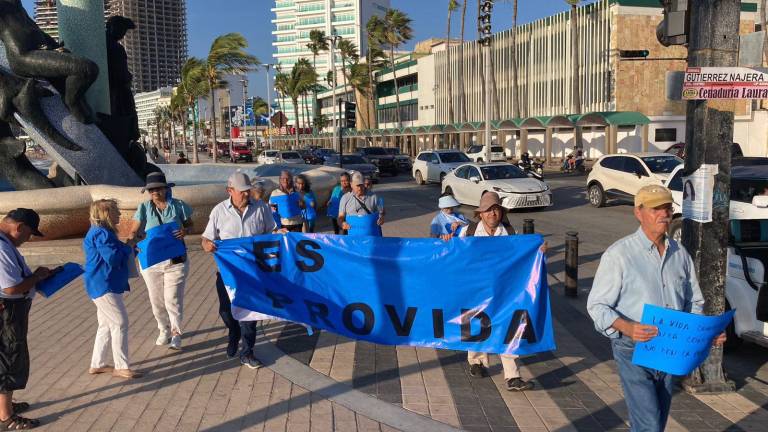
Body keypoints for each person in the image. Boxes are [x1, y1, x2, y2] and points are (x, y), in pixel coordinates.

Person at [587, 185, 725, 432]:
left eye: (668, 208)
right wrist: (627, 327)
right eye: (656, 209)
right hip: (634, 349)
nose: (664, 214)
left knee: (656, 421)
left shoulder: (680, 253)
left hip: (670, 348)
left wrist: (706, 333)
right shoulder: (619, 254)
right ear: (638, 212)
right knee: (649, 423)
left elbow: (694, 302)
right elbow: (597, 306)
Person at [455, 193, 536, 392]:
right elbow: (454, 257)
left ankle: (513, 376)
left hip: (503, 291)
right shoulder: (469, 231)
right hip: (475, 289)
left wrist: (537, 250)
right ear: (480, 214)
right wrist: (448, 240)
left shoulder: (508, 231)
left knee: (507, 329)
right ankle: (477, 362)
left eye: (496, 209)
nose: (493, 213)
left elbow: (520, 257)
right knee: (475, 325)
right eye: (488, 210)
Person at [202, 171, 278, 369]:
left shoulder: (261, 208)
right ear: (230, 191)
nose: (246, 194)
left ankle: (248, 352)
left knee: (249, 315)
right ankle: (233, 333)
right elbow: (206, 239)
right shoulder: (219, 211)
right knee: (226, 312)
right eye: (242, 191)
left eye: (248, 191)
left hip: (253, 273)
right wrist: (207, 245)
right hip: (227, 273)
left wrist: (281, 234)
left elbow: (271, 233)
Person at [0, 208, 54, 429]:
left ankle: (6, 405)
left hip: (9, 310)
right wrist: (37, 277)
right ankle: (5, 417)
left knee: (7, 356)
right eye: (29, 233)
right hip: (8, 312)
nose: (28, 239)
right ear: (19, 227)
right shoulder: (1, 247)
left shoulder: (4, 243)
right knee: (9, 358)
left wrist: (35, 277)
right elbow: (11, 288)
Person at [129, 172, 193, 350]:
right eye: (151, 190)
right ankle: (163, 328)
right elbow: (133, 230)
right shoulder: (144, 208)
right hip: (151, 261)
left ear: (165, 188)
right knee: (156, 301)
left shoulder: (178, 206)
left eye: (157, 188)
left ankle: (176, 333)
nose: (154, 192)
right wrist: (133, 238)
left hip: (176, 259)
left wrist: (185, 232)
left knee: (172, 299)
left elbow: (190, 224)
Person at [83, 200, 143, 380]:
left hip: (103, 283)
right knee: (119, 322)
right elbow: (113, 259)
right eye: (116, 211)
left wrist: (128, 246)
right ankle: (121, 367)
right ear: (106, 214)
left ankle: (98, 363)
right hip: (104, 284)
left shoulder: (101, 232)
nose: (119, 214)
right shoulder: (102, 233)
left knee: (106, 324)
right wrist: (129, 246)